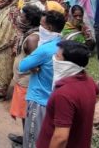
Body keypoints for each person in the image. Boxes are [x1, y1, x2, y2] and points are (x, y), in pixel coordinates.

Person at [35, 41, 99, 148]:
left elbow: (61, 138)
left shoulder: (64, 94)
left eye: (57, 56)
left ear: (68, 64)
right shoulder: (88, 81)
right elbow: (98, 94)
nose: (54, 58)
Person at [18, 10, 65, 148]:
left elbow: (22, 65)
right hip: (54, 99)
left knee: (33, 139)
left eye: (41, 24)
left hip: (39, 100)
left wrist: (34, 63)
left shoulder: (45, 49)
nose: (39, 27)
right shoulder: (63, 44)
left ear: (49, 28)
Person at [8, 4, 43, 146]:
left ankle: (28, 142)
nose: (19, 18)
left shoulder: (33, 38)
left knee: (27, 114)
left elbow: (34, 63)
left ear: (28, 20)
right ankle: (26, 137)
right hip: (22, 79)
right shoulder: (28, 34)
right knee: (24, 114)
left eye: (22, 16)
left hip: (26, 81)